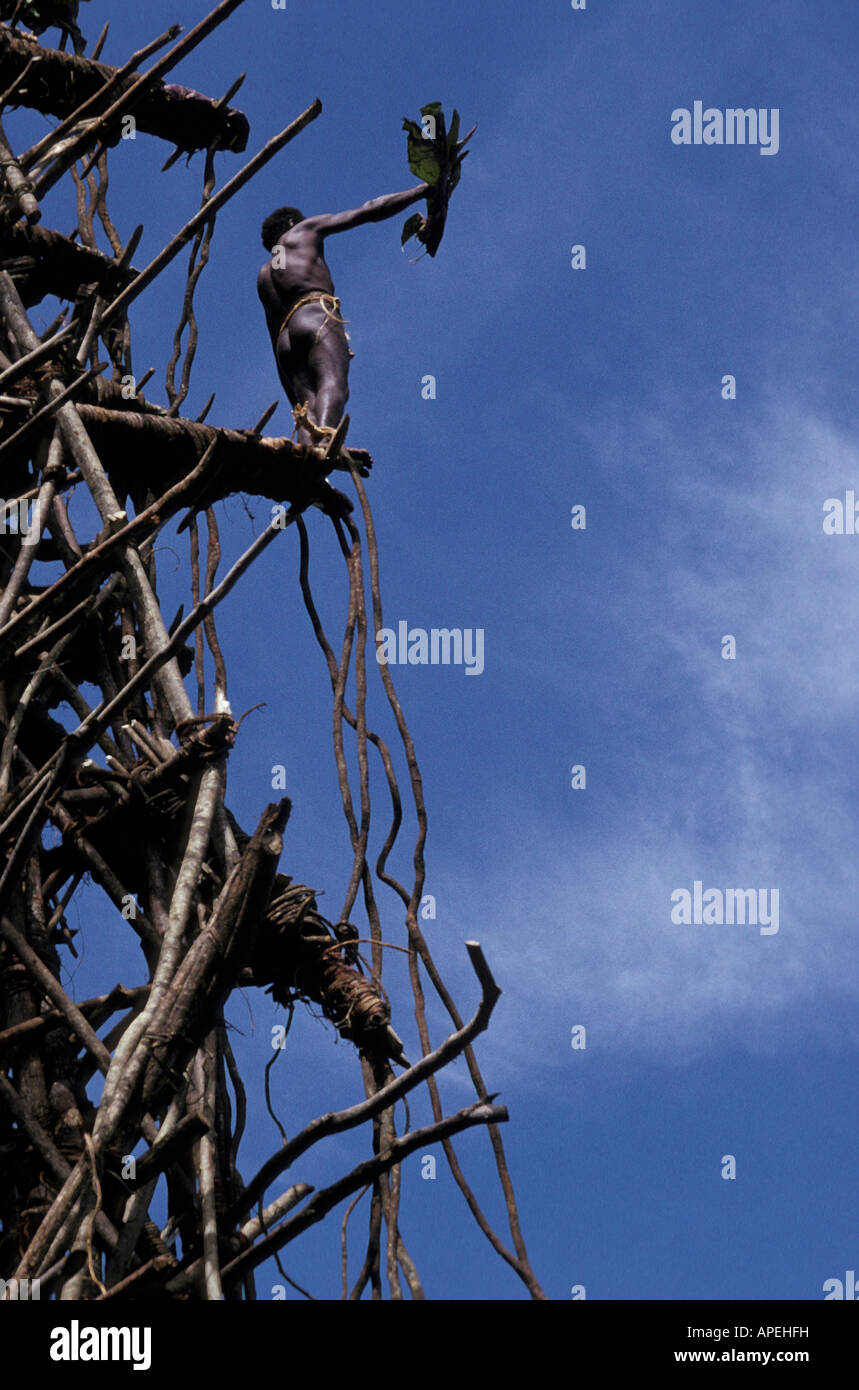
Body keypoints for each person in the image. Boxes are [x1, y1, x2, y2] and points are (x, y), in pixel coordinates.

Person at [257, 182, 430, 454]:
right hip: (314, 314)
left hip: (286, 341)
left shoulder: (265, 274)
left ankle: (308, 460)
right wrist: (421, 191)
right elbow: (369, 211)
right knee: (333, 383)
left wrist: (294, 399)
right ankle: (324, 445)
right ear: (292, 221)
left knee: (306, 406)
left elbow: (273, 339)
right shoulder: (302, 231)